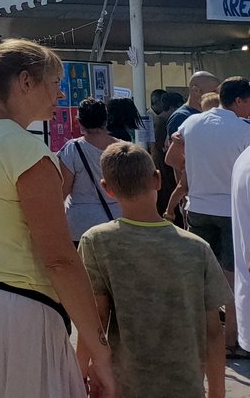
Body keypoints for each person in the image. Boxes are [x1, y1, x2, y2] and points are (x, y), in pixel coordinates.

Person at [0, 39, 114, 398]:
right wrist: (99, 351)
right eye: (54, 82)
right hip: (18, 310)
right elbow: (59, 260)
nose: (60, 93)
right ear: (25, 82)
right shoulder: (25, 150)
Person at [80, 142, 229, 398]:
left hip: (125, 384)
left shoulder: (96, 241)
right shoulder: (197, 248)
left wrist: (80, 373)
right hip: (185, 385)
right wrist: (217, 391)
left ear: (107, 189)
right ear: (157, 179)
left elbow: (96, 319)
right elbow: (214, 332)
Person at [169, 76, 250, 357]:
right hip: (231, 212)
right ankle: (231, 341)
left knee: (201, 277)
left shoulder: (190, 123)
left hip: (198, 208)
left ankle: (204, 337)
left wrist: (194, 168)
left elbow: (171, 159)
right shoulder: (244, 130)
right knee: (233, 279)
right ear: (238, 101)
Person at [58, 98, 122, 244]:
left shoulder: (72, 149)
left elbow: (62, 190)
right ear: (106, 120)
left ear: (80, 121)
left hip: (81, 225)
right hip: (117, 220)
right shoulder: (123, 148)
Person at [154, 90, 186, 214]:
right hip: (164, 165)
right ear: (172, 107)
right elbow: (162, 146)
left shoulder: (160, 119)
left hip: (163, 163)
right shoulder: (162, 121)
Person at [167, 71, 223, 138]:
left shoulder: (210, 113)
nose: (218, 96)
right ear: (196, 90)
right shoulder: (180, 117)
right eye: (214, 92)